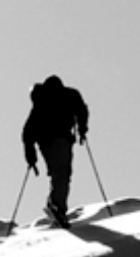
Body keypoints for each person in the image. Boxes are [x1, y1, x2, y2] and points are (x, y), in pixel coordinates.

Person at [21, 75, 90, 226]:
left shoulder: (40, 101)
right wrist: (82, 129)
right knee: (62, 172)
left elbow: (28, 133)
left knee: (59, 172)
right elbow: (81, 110)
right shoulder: (69, 95)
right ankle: (57, 206)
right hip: (61, 138)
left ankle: (55, 205)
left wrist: (31, 156)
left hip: (45, 141)